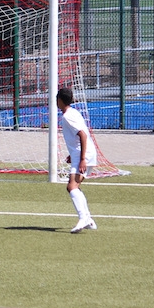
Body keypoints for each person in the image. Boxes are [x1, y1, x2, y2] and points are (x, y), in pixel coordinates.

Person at [56, 87, 97, 234]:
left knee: (72, 187)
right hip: (81, 154)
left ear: (60, 100)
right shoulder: (72, 113)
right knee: (74, 187)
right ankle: (89, 219)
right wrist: (72, 154)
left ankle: (84, 218)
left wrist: (82, 159)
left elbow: (83, 135)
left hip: (84, 155)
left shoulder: (68, 116)